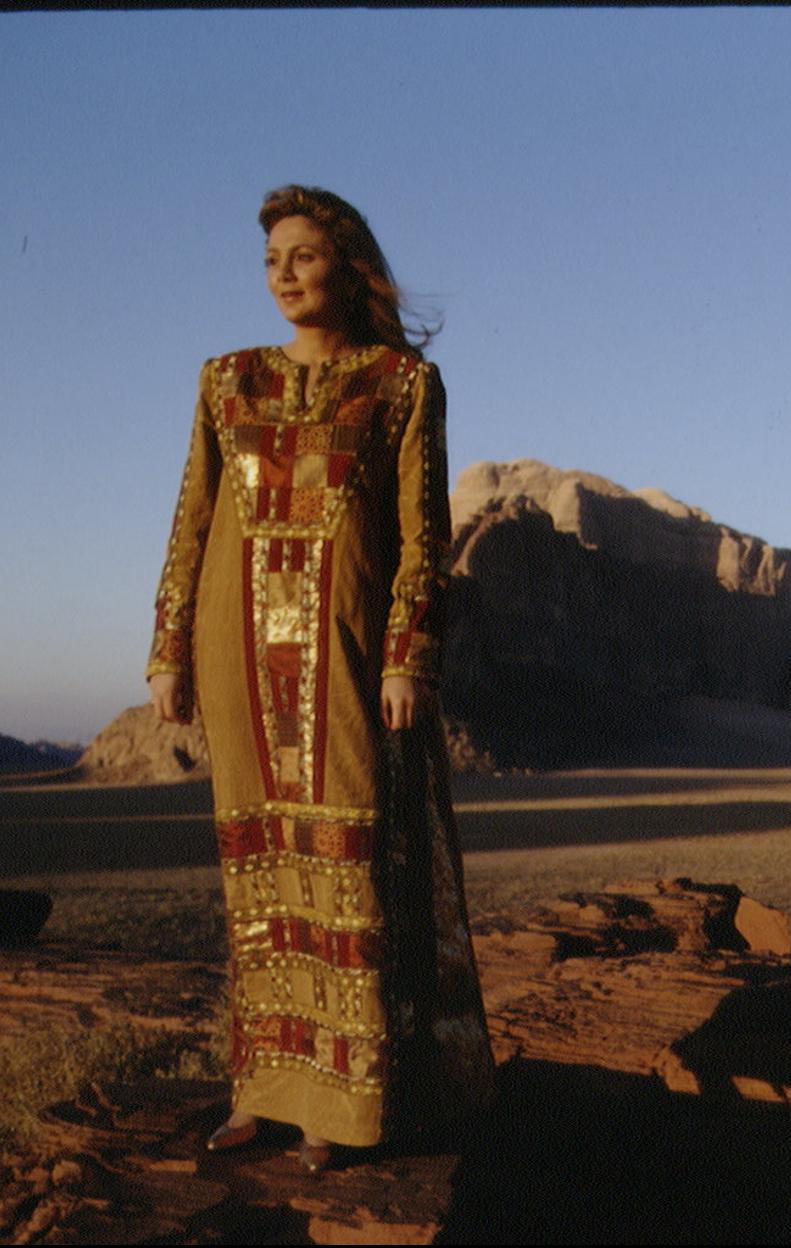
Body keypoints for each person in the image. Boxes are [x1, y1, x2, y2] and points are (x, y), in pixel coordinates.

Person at [147, 185, 494, 1172]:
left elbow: (424, 534)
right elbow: (193, 517)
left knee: (343, 866)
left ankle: (344, 1107)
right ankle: (264, 1089)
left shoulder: (401, 383)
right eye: (271, 260)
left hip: (343, 656)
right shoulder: (227, 381)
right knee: (259, 875)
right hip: (237, 653)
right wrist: (169, 649)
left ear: (348, 261)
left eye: (303, 254)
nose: (285, 275)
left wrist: (408, 654)